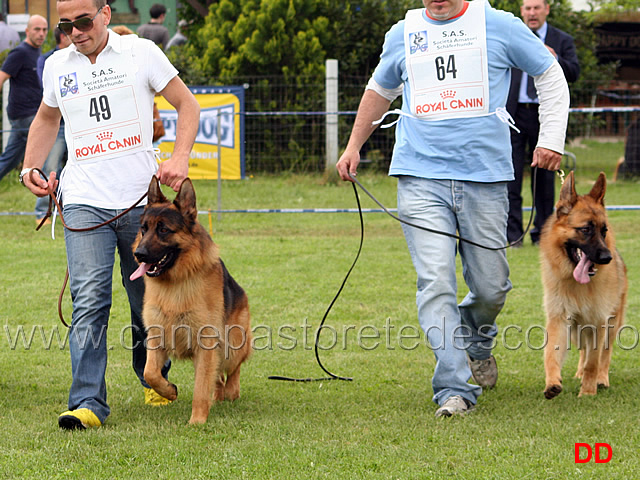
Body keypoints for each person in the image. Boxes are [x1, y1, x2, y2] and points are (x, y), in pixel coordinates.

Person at [336, 0, 569, 417]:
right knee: (435, 282)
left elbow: (549, 73)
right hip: (418, 175)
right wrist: (354, 145)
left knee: (492, 285)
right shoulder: (402, 33)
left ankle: (476, 341)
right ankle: (453, 389)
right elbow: (380, 91)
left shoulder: (498, 24)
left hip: (485, 177)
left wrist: (551, 136)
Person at [21, 0, 200, 430]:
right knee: (89, 299)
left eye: (83, 22)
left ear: (104, 13)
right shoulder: (57, 66)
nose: (75, 32)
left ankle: (152, 376)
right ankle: (86, 402)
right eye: (66, 25)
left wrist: (180, 156)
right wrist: (31, 166)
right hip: (82, 201)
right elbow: (47, 118)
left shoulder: (141, 53)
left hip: (142, 206)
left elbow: (187, 104)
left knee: (146, 299)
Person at [506, 0, 580, 245]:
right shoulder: (512, 38)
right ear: (521, 11)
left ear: (547, 9)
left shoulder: (562, 40)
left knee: (544, 180)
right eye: (527, 8)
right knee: (511, 176)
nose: (532, 13)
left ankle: (543, 234)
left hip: (544, 116)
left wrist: (555, 58)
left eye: (536, 8)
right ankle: (513, 234)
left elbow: (574, 73)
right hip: (514, 114)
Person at [0, 15, 48, 183]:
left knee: (10, 160)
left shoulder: (37, 52)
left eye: (44, 30)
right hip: (25, 115)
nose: (41, 34)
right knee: (51, 147)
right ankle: (50, 199)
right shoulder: (20, 52)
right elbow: (1, 77)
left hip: (31, 114)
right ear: (27, 31)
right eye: (37, 29)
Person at [33, 28, 72, 225]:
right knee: (51, 166)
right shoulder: (49, 61)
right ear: (64, 37)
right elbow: (47, 90)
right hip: (57, 124)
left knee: (73, 169)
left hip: (76, 123)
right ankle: (42, 213)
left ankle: (69, 208)